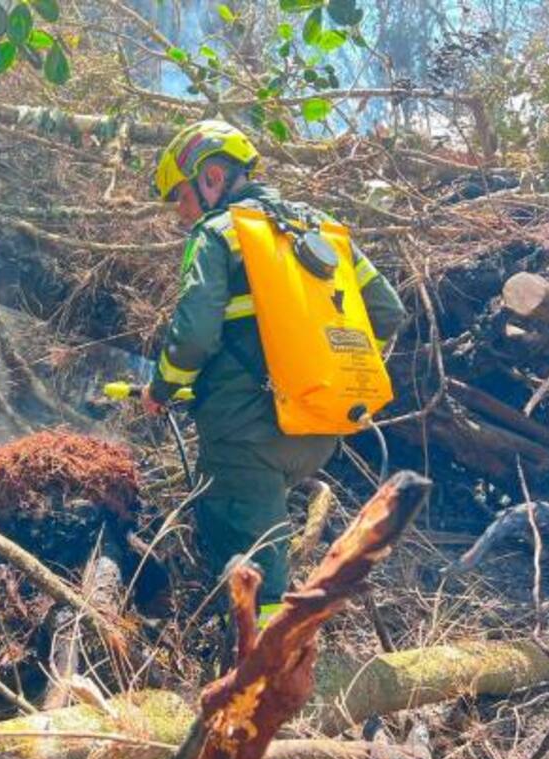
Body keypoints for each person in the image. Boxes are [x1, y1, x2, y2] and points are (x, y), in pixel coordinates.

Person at [143, 120, 405, 614]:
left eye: (180, 197)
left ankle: (264, 673)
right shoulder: (323, 229)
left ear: (212, 178)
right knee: (257, 530)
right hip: (319, 429)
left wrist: (161, 388)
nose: (181, 214)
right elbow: (388, 313)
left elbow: (195, 336)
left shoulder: (217, 234)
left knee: (252, 570)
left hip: (245, 436)